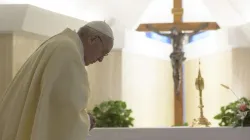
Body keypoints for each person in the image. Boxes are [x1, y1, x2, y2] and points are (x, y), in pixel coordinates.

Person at [0, 21, 114, 140]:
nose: (100, 59)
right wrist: (86, 121)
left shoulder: (57, 43)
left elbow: (49, 103)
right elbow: (63, 111)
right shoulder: (69, 53)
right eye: (103, 52)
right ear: (93, 39)